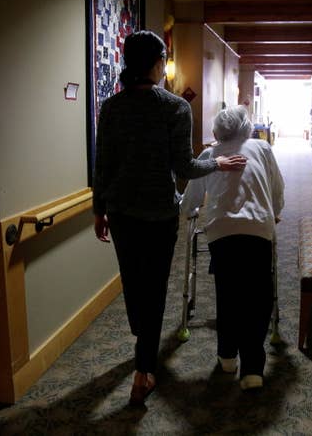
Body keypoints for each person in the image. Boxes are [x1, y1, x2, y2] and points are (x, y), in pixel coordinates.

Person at [92, 30, 247, 405]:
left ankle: (141, 344)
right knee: (155, 289)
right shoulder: (175, 108)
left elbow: (104, 165)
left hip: (122, 212)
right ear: (159, 63)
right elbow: (185, 166)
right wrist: (219, 163)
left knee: (133, 281)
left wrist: (99, 209)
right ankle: (143, 371)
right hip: (159, 215)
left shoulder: (111, 108)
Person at [180, 105, 285, 391]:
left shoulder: (208, 155)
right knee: (258, 296)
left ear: (217, 131)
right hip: (258, 229)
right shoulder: (262, 148)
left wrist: (188, 210)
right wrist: (274, 212)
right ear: (246, 127)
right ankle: (252, 369)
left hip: (222, 232)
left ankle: (227, 356)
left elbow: (191, 200)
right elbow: (277, 188)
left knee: (228, 293)